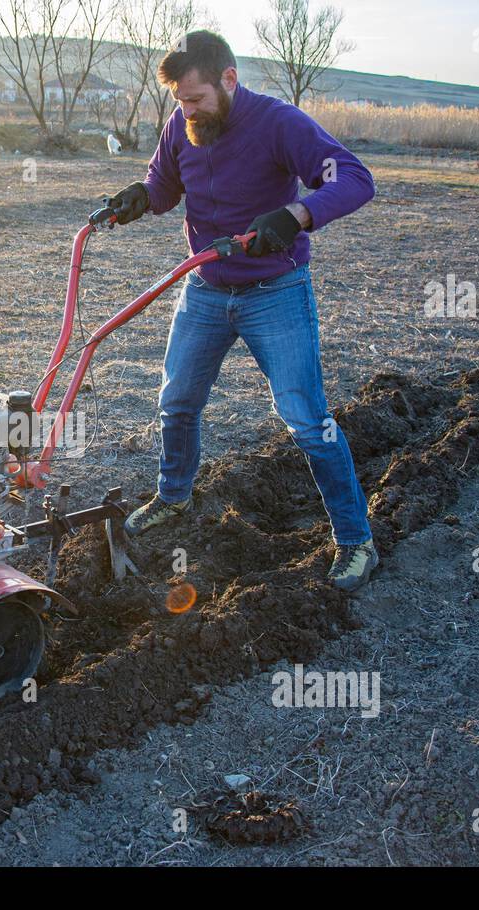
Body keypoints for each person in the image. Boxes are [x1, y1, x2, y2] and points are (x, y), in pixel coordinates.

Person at [107, 30, 379, 591]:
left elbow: (354, 178)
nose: (189, 109)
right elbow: (164, 184)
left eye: (197, 98)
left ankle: (356, 542)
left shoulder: (279, 123)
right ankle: (174, 497)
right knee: (177, 401)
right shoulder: (183, 125)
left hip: (273, 291)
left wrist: (299, 215)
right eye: (180, 100)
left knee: (306, 418)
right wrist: (139, 196)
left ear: (229, 79)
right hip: (205, 288)